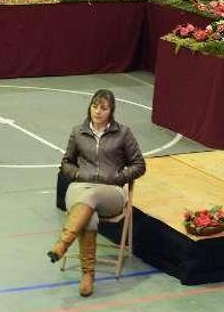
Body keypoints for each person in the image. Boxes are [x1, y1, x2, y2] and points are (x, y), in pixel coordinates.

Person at [49, 89, 146, 297]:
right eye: (95, 106)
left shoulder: (124, 133)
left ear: (111, 111)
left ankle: (64, 242)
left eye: (103, 108)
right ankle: (87, 276)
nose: (98, 111)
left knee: (90, 197)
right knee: (89, 217)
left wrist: (117, 178)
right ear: (89, 107)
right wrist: (79, 174)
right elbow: (65, 164)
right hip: (80, 187)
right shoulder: (78, 132)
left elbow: (139, 165)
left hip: (110, 193)